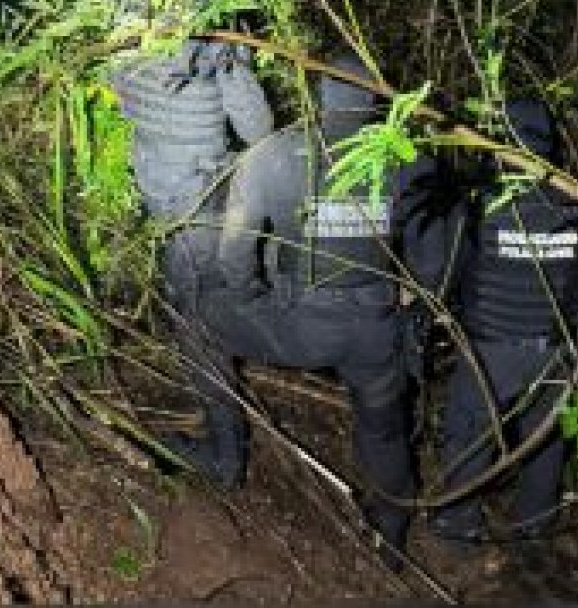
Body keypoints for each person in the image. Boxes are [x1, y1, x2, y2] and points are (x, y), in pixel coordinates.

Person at [162, 52, 453, 567]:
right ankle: (391, 531)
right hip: (375, 329)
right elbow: (435, 261)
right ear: (375, 99)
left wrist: (253, 300)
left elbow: (235, 257)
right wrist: (411, 310)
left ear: (320, 94)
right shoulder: (411, 162)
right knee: (383, 427)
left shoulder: (274, 155)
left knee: (196, 323)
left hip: (297, 325)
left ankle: (225, 457)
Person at [430, 98, 578, 548]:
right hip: (554, 350)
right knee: (545, 440)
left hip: (490, 350)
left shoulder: (480, 203)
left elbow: (450, 270)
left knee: (470, 432)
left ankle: (458, 526)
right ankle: (533, 528)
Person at [107, 31, 273, 318]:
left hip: (150, 176)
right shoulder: (215, 42)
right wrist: (235, 62)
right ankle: (201, 339)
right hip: (198, 188)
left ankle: (181, 320)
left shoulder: (125, 31)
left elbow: (118, 90)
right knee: (203, 287)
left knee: (179, 267)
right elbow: (256, 128)